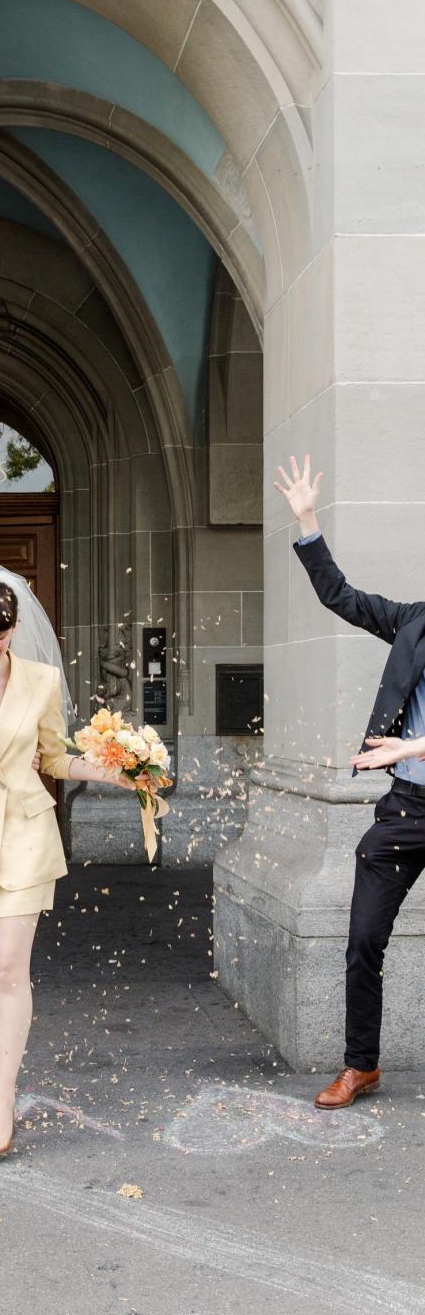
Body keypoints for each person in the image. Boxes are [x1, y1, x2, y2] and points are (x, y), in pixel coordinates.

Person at [0, 570, 132, 1157]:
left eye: (0, 637)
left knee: (11, 969)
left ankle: (1, 1100)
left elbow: (57, 761)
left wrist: (114, 769)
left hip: (25, 836)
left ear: (14, 630)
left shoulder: (40, 681)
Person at [275, 455, 425, 1109]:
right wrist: (307, 519)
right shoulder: (414, 621)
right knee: (363, 939)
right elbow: (342, 596)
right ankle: (361, 1065)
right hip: (407, 808)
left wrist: (412, 744)